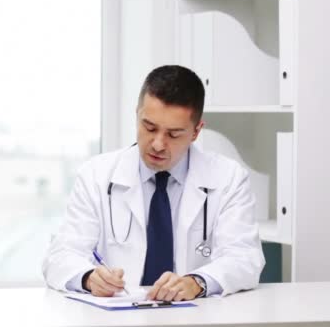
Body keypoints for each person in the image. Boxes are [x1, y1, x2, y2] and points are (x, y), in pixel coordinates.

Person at [43, 65, 265, 301]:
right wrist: (88, 278)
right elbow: (61, 255)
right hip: (117, 319)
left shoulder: (228, 178)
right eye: (149, 127)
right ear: (137, 114)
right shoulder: (96, 175)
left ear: (196, 131)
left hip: (195, 318)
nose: (158, 144)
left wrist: (196, 282)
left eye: (174, 134)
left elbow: (244, 257)